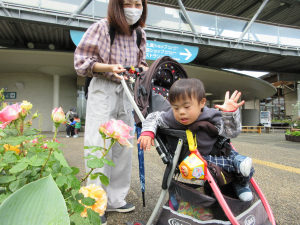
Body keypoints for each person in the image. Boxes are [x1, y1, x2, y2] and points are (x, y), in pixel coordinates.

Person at [74, 0, 148, 222]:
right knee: (99, 145)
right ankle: (95, 204)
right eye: (127, 3)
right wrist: (109, 67)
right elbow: (81, 62)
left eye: (138, 3)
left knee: (123, 146)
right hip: (104, 88)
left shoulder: (139, 34)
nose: (133, 8)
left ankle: (116, 200)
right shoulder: (102, 27)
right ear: (117, 5)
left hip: (127, 91)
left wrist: (142, 69)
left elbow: (141, 62)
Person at [137, 78, 255, 202]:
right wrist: (148, 132)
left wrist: (230, 114)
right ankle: (236, 163)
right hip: (195, 159)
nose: (181, 112)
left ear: (202, 103)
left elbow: (231, 133)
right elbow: (153, 117)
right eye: (175, 108)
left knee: (246, 165)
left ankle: (241, 184)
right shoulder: (171, 117)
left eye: (187, 106)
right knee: (238, 164)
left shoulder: (211, 115)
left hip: (217, 149)